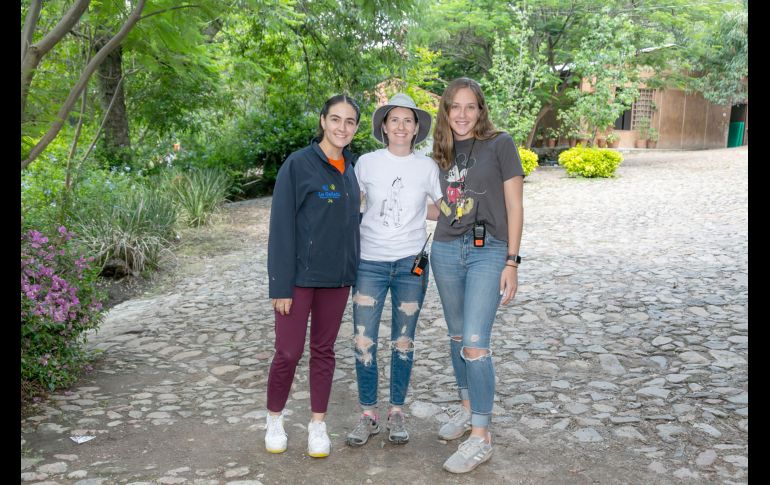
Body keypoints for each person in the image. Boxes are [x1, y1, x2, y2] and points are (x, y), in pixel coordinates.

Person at [429, 77, 524, 473]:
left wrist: (513, 263)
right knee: (455, 335)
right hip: (446, 250)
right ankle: (468, 409)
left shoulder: (500, 144)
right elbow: (442, 208)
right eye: (455, 107)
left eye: (470, 107)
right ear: (446, 112)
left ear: (481, 110)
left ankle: (481, 436)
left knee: (474, 342)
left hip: (490, 252)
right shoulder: (439, 153)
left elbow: (515, 206)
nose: (462, 115)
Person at [265, 94, 361, 458]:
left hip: (337, 281)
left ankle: (317, 425)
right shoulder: (298, 165)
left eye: (350, 121)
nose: (342, 127)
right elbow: (281, 227)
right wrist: (280, 284)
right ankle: (274, 418)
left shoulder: (350, 169)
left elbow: (349, 226)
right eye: (335, 119)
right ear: (323, 121)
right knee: (288, 352)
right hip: (299, 280)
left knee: (324, 352)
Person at [344, 93, 442, 447]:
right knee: (363, 339)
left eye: (408, 120)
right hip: (369, 262)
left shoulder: (427, 167)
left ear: (417, 128)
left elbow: (442, 209)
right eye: (394, 120)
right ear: (383, 126)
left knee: (403, 341)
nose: (401, 126)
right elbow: (348, 207)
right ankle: (368, 414)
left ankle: (396, 410)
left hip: (410, 266)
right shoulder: (366, 164)